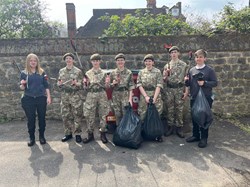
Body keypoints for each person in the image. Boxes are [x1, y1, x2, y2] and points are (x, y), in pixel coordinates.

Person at [185, 49, 218, 148]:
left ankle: (204, 138)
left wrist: (205, 83)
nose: (198, 59)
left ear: (205, 58)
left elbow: (215, 83)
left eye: (200, 57)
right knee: (194, 117)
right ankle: (196, 136)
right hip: (194, 97)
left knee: (204, 118)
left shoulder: (209, 70)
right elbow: (190, 84)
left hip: (206, 98)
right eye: (197, 57)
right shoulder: (191, 70)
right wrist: (186, 81)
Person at [20, 53, 51, 147]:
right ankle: (32, 138)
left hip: (41, 98)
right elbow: (22, 88)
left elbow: (46, 85)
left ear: (37, 62)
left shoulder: (42, 72)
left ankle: (42, 136)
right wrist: (22, 84)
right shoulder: (24, 73)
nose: (33, 62)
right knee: (31, 119)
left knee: (42, 118)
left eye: (35, 60)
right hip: (28, 99)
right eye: (31, 61)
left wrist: (49, 97)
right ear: (28, 62)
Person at [82, 53, 110, 144]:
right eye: (94, 61)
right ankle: (90, 134)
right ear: (91, 62)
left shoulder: (104, 73)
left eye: (97, 61)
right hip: (91, 94)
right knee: (90, 115)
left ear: (100, 61)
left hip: (101, 94)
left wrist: (107, 83)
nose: (95, 63)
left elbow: (107, 87)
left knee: (103, 114)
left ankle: (103, 134)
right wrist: (85, 83)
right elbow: (85, 88)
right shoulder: (87, 73)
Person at [163, 46, 189, 138]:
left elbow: (187, 79)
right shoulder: (167, 65)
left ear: (178, 53)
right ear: (170, 54)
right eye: (172, 52)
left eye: (175, 52)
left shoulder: (184, 65)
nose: (173, 54)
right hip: (169, 89)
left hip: (179, 89)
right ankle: (170, 126)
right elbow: (164, 80)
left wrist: (186, 92)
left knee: (179, 109)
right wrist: (166, 75)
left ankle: (179, 127)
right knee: (169, 108)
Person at [137, 54, 164, 142]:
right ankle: (144, 134)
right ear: (144, 62)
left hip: (155, 94)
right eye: (146, 61)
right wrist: (146, 97)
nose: (148, 63)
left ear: (153, 62)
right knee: (143, 114)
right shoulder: (141, 72)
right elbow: (139, 85)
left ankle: (157, 134)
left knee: (157, 115)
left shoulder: (157, 72)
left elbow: (159, 85)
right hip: (145, 95)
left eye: (150, 61)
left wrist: (154, 98)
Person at [57, 53, 83, 143]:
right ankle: (68, 133)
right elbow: (59, 83)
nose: (68, 60)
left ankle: (78, 134)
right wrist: (59, 84)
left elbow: (82, 84)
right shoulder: (61, 71)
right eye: (66, 58)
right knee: (65, 115)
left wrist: (76, 83)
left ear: (73, 60)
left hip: (75, 95)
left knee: (77, 115)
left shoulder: (78, 71)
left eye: (70, 58)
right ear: (65, 60)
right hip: (65, 96)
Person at [110, 53, 135, 126]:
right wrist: (113, 83)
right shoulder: (112, 73)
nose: (120, 62)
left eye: (121, 60)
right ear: (116, 62)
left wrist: (130, 99)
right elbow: (109, 86)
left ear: (124, 61)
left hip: (125, 94)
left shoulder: (129, 72)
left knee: (125, 113)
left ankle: (126, 130)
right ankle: (119, 130)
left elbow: (131, 86)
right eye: (118, 60)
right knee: (117, 114)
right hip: (116, 94)